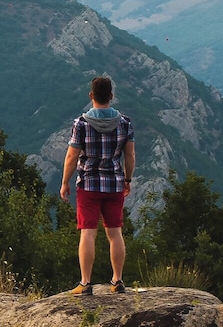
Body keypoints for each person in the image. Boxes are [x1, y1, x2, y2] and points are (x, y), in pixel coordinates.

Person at [60, 76, 135, 295]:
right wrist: (127, 180)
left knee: (88, 233)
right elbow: (129, 155)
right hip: (114, 184)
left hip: (88, 185)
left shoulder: (81, 124)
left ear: (91, 96)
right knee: (115, 233)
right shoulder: (125, 123)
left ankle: (85, 283)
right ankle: (118, 280)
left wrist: (65, 182)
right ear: (111, 96)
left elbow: (72, 156)